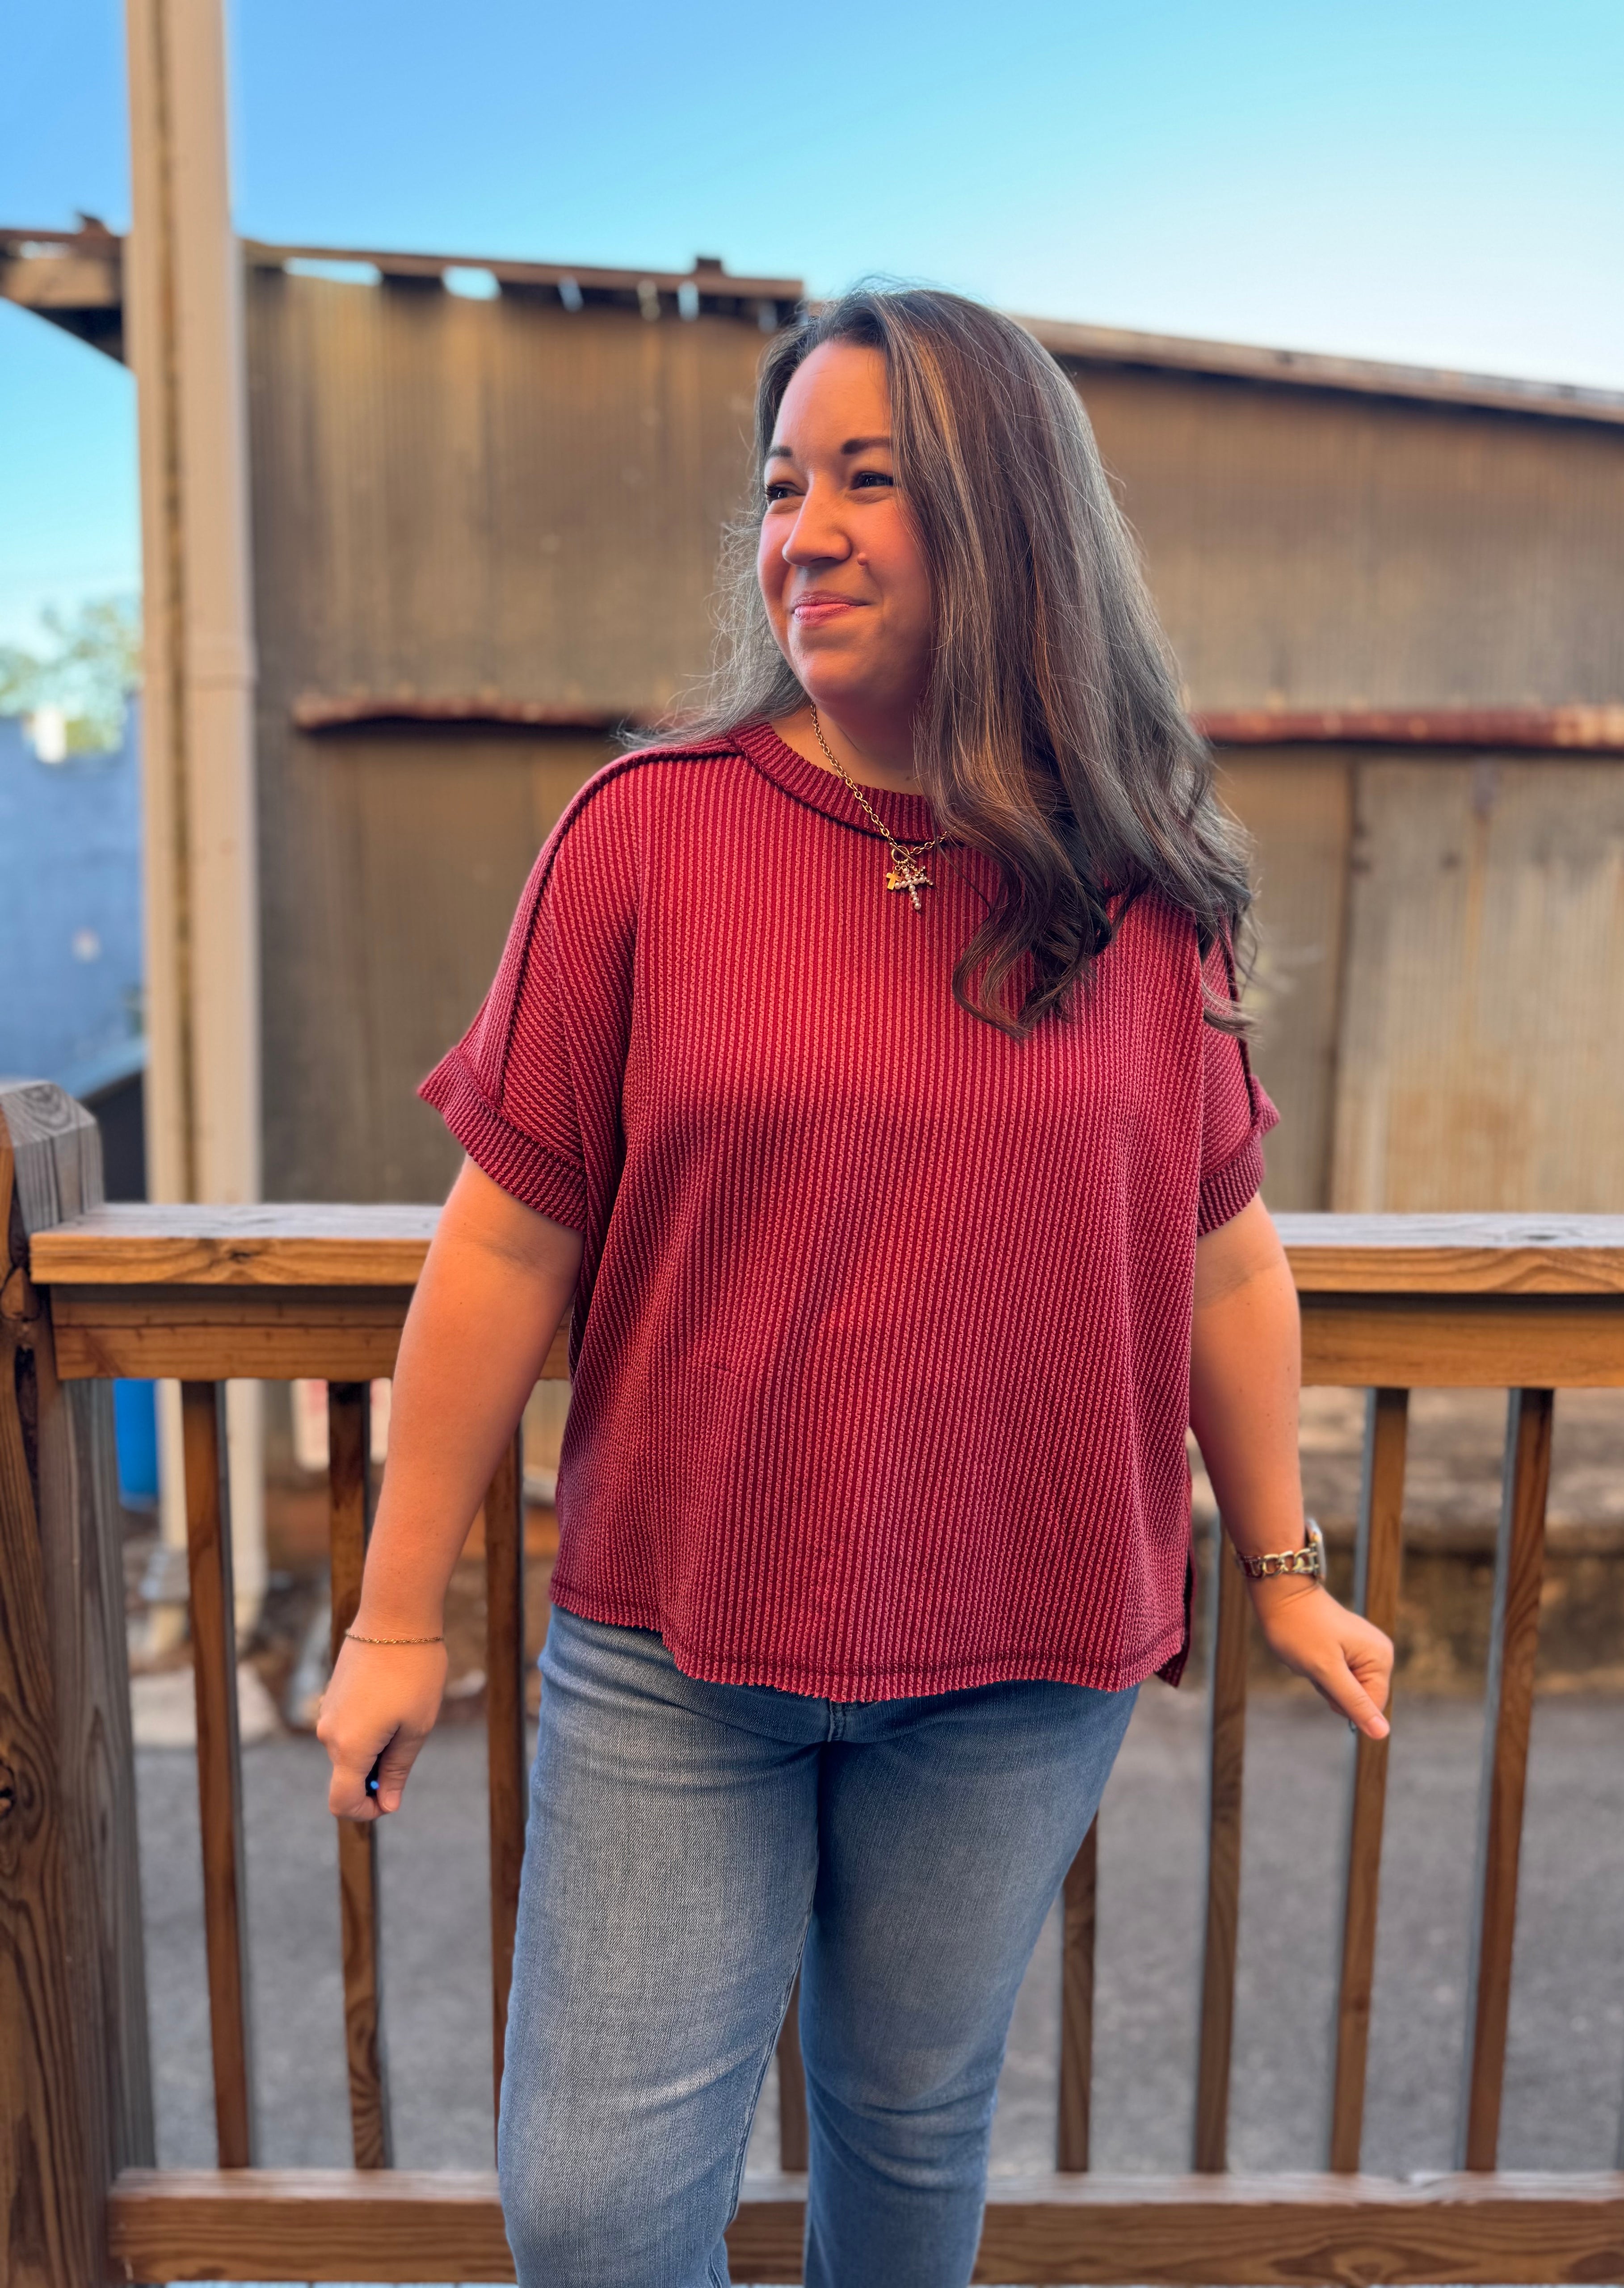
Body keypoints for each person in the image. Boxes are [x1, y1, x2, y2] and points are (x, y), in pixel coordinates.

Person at [318, 286, 1394, 2288]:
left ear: (1007, 519)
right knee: (594, 2203)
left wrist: (1283, 1565)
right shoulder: (649, 836)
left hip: (1023, 1653)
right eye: (779, 482)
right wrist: (393, 1610)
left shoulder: (1136, 879)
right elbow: (503, 1236)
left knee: (909, 2126)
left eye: (866, 480)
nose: (799, 528)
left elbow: (1224, 1250)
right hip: (682, 1641)